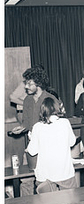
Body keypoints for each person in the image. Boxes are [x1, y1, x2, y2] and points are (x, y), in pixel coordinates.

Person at [12, 66, 60, 196]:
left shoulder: (50, 99)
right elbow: (27, 123)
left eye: (29, 83)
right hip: (31, 145)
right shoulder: (27, 100)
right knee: (26, 179)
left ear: (38, 83)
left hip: (48, 147)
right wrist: (20, 128)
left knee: (47, 180)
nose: (26, 86)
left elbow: (56, 124)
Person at [26, 97, 78, 192]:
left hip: (45, 176)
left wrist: (31, 138)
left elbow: (32, 152)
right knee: (70, 201)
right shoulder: (65, 123)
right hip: (64, 173)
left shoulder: (37, 127)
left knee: (47, 203)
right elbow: (72, 142)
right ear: (57, 109)